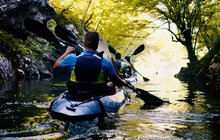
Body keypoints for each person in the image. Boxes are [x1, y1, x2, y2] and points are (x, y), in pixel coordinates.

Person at [53, 31, 128, 100]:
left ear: (84, 42)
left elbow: (55, 66)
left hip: (75, 92)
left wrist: (67, 52)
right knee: (111, 83)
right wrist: (125, 82)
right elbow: (117, 82)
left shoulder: (72, 58)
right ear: (97, 44)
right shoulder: (106, 62)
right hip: (97, 93)